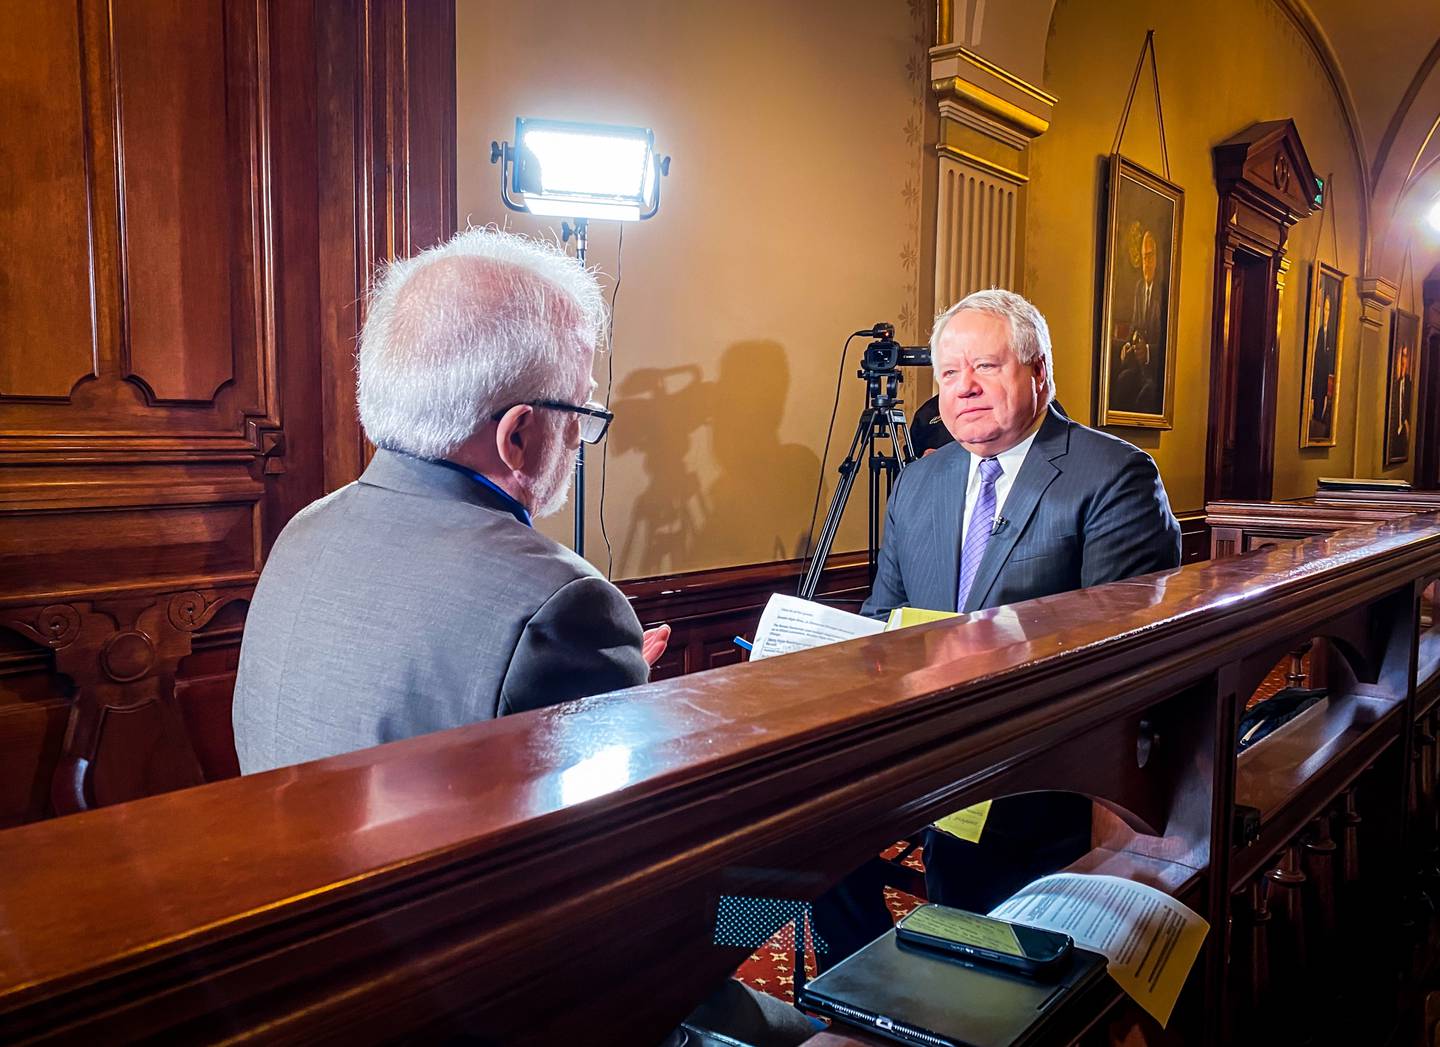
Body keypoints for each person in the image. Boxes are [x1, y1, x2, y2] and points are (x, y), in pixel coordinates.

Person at [815, 289, 1180, 961]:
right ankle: (861, 987)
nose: (965, 388)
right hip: (920, 744)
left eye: (986, 365)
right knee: (784, 848)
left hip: (1034, 765)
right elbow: (882, 618)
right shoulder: (921, 484)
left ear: (1039, 370)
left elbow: (1119, 659)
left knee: (989, 948)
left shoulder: (1112, 475)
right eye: (950, 373)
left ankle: (957, 993)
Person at [232, 228, 670, 774]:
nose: (580, 437)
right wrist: (622, 696)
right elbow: (604, 822)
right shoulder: (562, 605)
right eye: (579, 411)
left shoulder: (304, 530)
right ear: (518, 435)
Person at [1309, 292, 1335, 439]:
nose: (1326, 313)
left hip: (1324, 386)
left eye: (1328, 309)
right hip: (1315, 384)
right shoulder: (1318, 332)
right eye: (1324, 309)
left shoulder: (1330, 334)